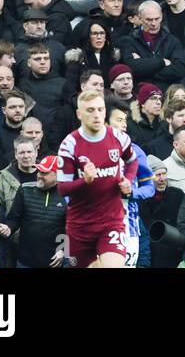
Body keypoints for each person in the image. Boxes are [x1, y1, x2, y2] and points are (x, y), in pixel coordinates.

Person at [56, 88, 138, 268]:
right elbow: (62, 188)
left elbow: (132, 162)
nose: (97, 115)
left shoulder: (119, 137)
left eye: (100, 109)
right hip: (80, 226)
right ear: (79, 114)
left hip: (112, 222)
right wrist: (84, 181)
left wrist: (128, 180)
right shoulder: (69, 145)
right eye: (90, 110)